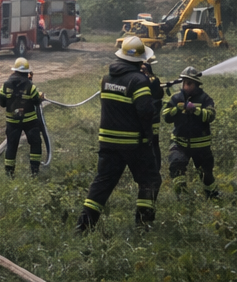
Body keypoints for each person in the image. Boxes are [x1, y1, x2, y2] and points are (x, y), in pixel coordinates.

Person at [76, 36, 161, 232]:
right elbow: (146, 111)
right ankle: (143, 226)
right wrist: (148, 135)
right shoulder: (138, 81)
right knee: (150, 180)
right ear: (139, 60)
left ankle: (83, 227)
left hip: (108, 142)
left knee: (102, 184)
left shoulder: (106, 79)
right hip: (133, 144)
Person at [162, 65, 218, 197]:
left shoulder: (205, 99)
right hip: (179, 143)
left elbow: (210, 116)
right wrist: (177, 109)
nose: (185, 86)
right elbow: (166, 116)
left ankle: (213, 197)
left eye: (189, 83)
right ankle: (183, 197)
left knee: (206, 174)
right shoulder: (176, 99)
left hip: (201, 146)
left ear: (196, 85)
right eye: (184, 83)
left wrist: (195, 110)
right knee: (177, 167)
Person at [0, 57, 44, 177]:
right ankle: (34, 171)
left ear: (14, 70)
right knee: (35, 143)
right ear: (27, 72)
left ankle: (9, 173)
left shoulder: (5, 85)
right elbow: (36, 101)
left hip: (12, 122)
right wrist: (40, 97)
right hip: (30, 122)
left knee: (11, 146)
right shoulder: (30, 86)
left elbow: (1, 102)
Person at [142, 50, 167, 188]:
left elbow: (158, 98)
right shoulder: (136, 81)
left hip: (152, 120)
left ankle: (155, 169)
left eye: (145, 70)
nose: (143, 72)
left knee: (154, 144)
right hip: (140, 122)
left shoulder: (153, 81)